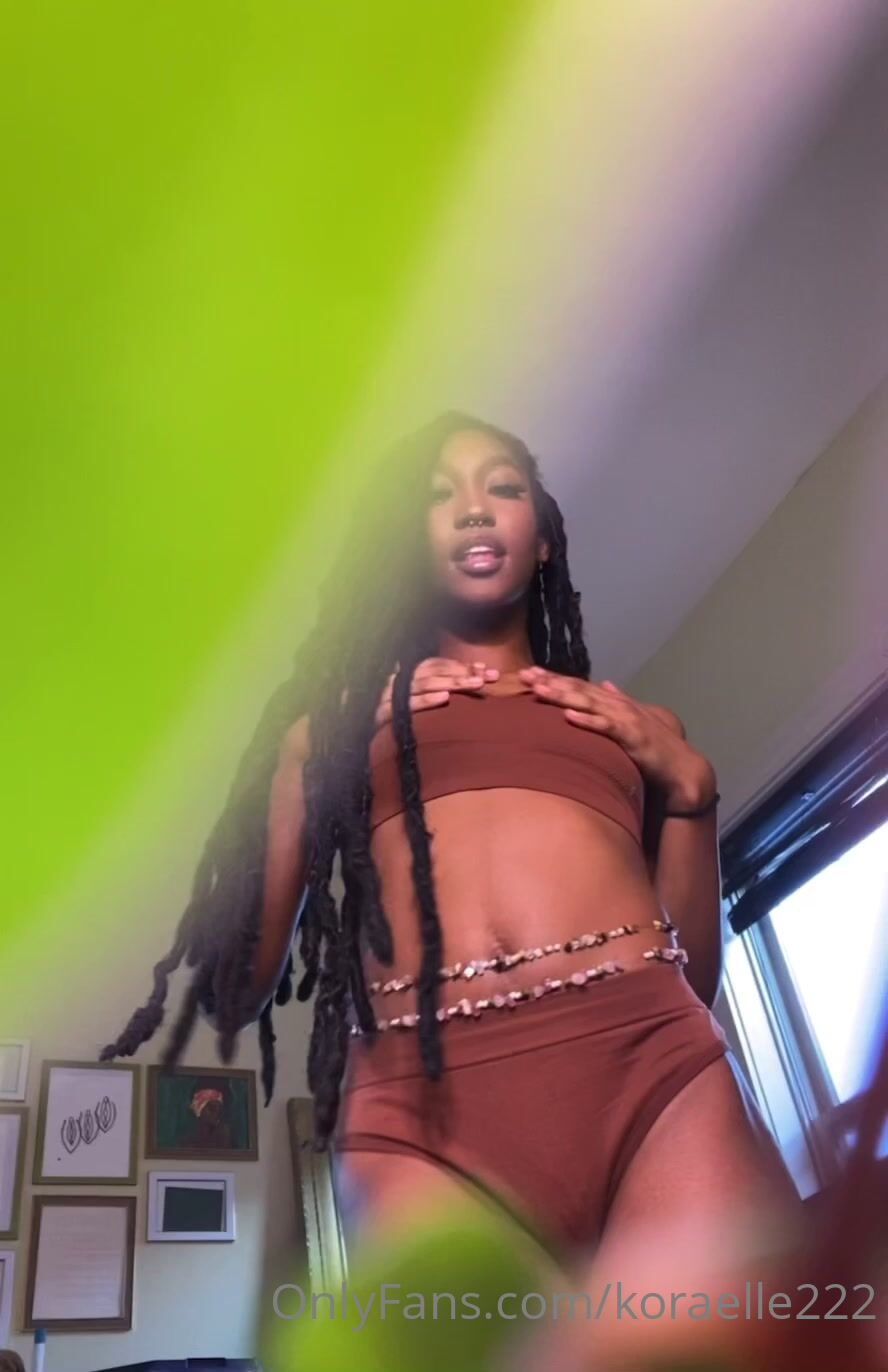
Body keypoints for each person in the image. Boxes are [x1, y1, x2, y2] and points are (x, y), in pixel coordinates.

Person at [103, 412, 798, 1274]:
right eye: (439, 497)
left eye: (502, 486)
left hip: (651, 1069)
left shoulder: (634, 725)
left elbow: (690, 982)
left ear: (542, 541)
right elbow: (235, 991)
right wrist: (300, 766)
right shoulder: (340, 732)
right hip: (419, 1104)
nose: (474, 507)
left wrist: (692, 794)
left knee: (739, 1336)